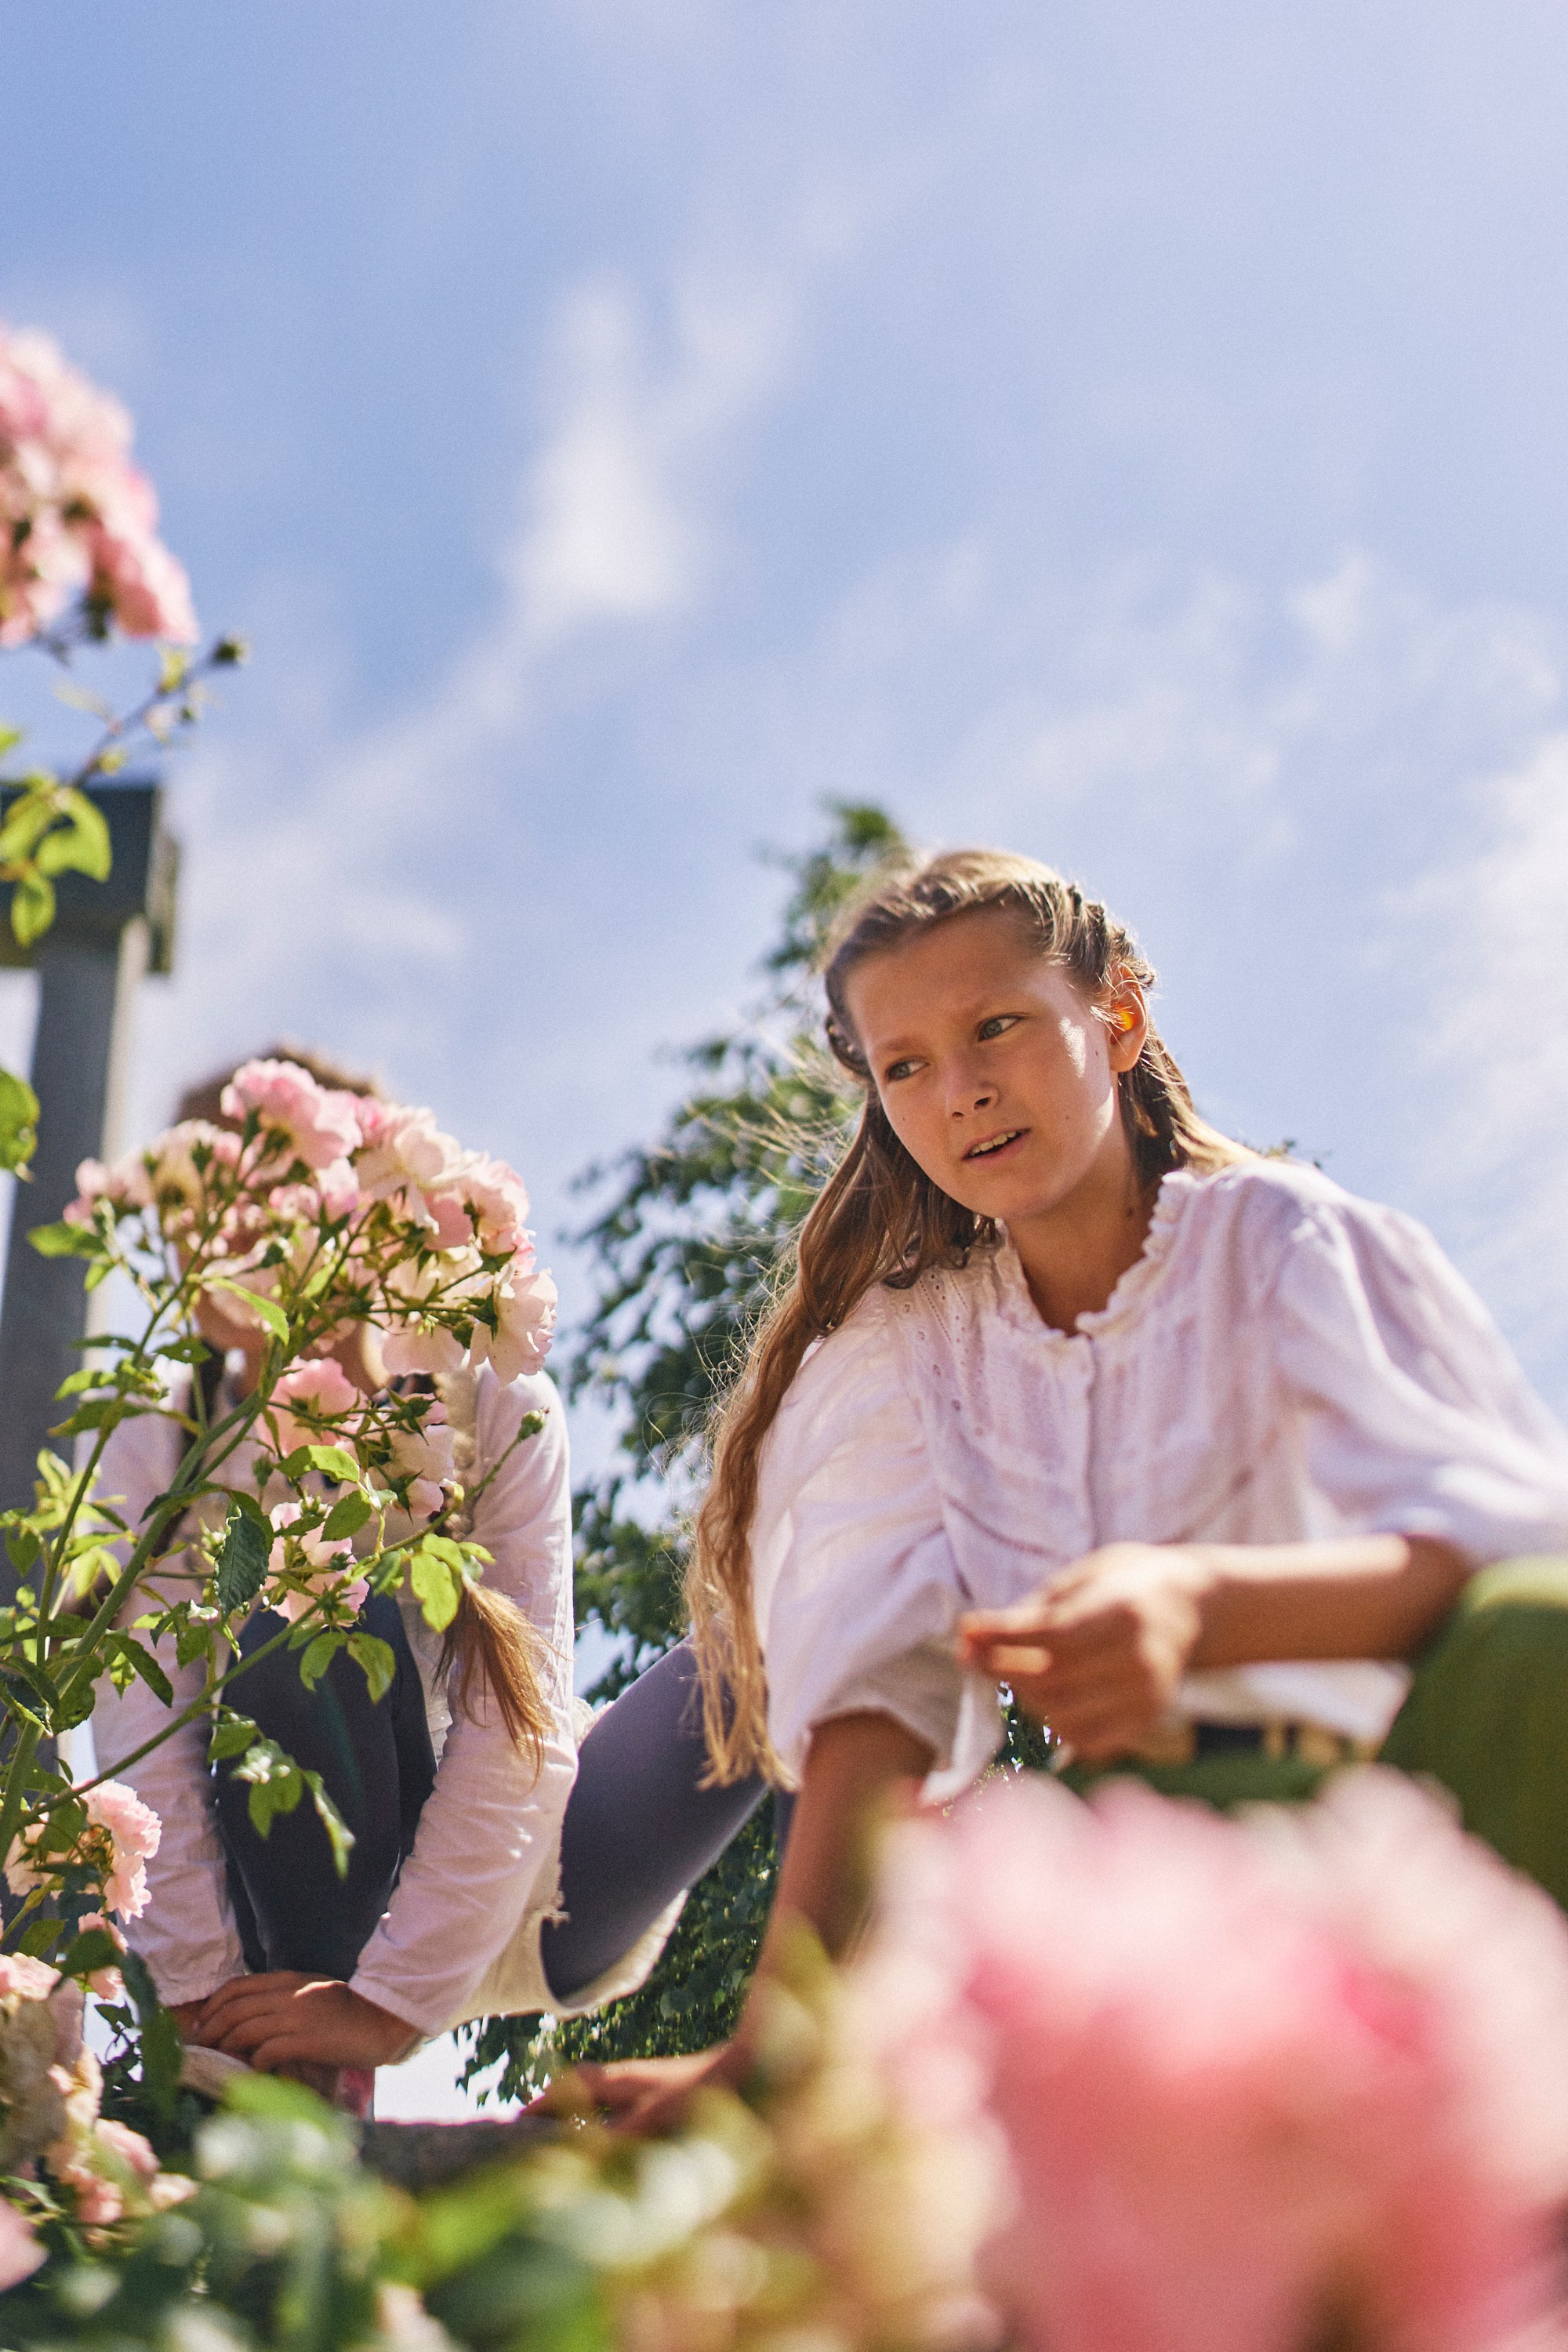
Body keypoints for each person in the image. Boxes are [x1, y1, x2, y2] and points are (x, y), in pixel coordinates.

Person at [582, 848, 1568, 2128]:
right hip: (1128, 1854)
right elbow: (878, 1715)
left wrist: (1196, 1608)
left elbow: (1490, 1551)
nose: (966, 1093)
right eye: (908, 1067)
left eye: (1000, 1026)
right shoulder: (913, 1358)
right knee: (950, 1923)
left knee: (1544, 1633)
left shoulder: (1278, 1237)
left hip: (1398, 1805)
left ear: (1118, 1020)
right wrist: (773, 2042)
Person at [93, 1051, 764, 2109]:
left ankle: (824, 2042)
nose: (210, 1235)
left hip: (523, 1875)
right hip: (286, 1907)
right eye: (192, 1197)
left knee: (772, 1635)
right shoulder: (159, 1439)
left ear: (354, 1210)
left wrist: (394, 2001)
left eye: (248, 1198)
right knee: (297, 1599)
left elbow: (520, 1713)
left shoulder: (493, 1397)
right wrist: (201, 1990)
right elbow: (147, 1730)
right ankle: (309, 2085)